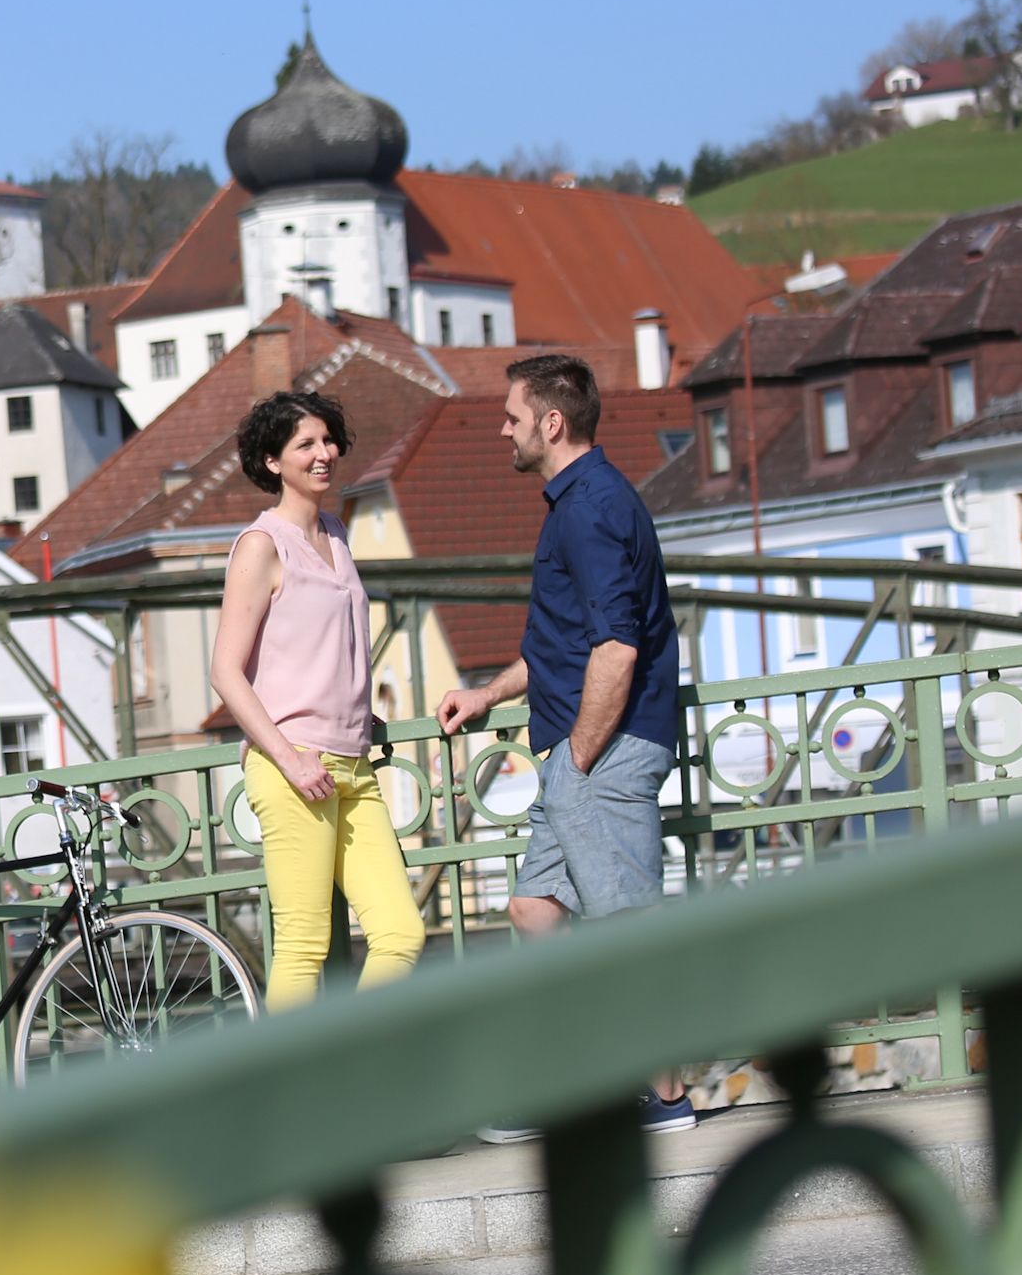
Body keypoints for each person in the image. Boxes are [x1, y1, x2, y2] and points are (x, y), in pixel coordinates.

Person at [437, 352, 695, 1132]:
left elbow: (615, 648)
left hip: (603, 753)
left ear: (552, 423)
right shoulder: (585, 501)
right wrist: (489, 692)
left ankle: (668, 1097)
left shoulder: (589, 510)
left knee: (622, 927)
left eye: (513, 417)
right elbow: (567, 647)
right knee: (533, 909)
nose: (504, 430)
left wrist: (579, 758)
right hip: (582, 753)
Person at [210, 388, 425, 1009]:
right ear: (273, 462)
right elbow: (225, 671)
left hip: (353, 762)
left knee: (400, 932)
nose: (323, 452)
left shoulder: (336, 530)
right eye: (305, 444)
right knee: (303, 946)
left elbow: (325, 642)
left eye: (328, 440)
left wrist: (358, 709)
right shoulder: (261, 546)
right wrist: (287, 757)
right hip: (294, 765)